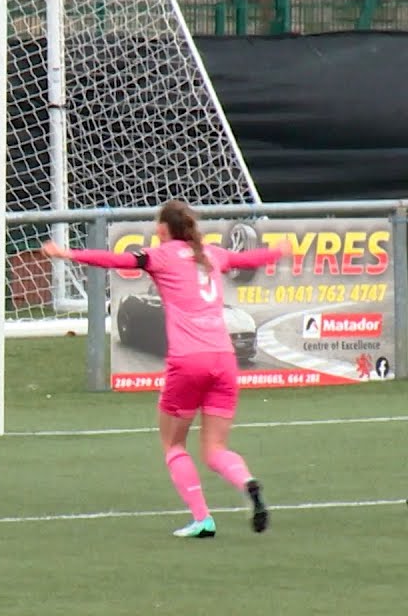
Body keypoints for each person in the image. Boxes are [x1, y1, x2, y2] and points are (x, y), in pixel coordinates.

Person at [42, 199, 288, 538]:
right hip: (223, 359)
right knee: (215, 449)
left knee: (174, 445)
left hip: (189, 361)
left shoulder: (159, 256)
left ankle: (203, 519)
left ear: (162, 229)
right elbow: (248, 259)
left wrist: (68, 254)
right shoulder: (213, 254)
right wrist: (278, 251)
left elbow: (115, 260)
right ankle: (248, 483)